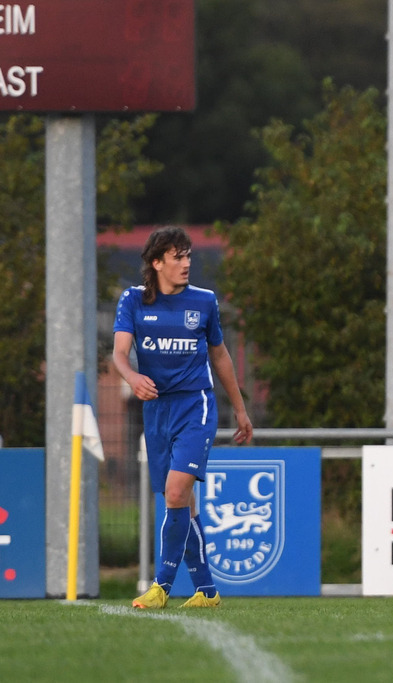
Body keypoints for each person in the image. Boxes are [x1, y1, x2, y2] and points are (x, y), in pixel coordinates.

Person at [112, 226, 253, 608]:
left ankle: (161, 587)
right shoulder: (133, 300)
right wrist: (132, 376)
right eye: (178, 257)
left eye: (189, 256)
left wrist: (239, 409)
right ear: (157, 262)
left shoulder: (204, 302)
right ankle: (207, 592)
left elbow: (220, 355)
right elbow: (120, 354)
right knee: (182, 503)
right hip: (156, 410)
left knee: (176, 493)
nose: (187, 263)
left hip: (196, 406)